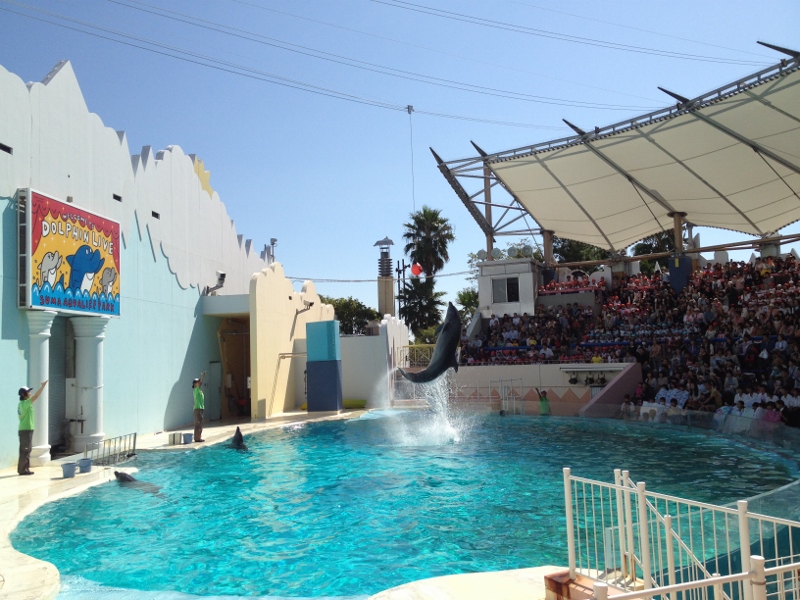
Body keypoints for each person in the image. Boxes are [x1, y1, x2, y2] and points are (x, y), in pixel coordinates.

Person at [17, 380, 48, 476]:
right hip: (26, 429)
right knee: (25, 449)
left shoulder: (22, 404)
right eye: (28, 391)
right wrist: (42, 387)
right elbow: (36, 396)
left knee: (27, 449)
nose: (30, 393)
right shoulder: (25, 403)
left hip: (25, 429)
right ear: (23, 394)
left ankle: (25, 468)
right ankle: (22, 470)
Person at [192, 372, 206, 443]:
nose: (199, 382)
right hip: (198, 409)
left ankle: (198, 437)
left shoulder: (199, 390)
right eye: (197, 382)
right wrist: (203, 376)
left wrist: (203, 376)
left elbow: (201, 383)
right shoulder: (196, 389)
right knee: (198, 423)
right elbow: (201, 382)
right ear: (195, 384)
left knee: (200, 423)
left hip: (200, 408)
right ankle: (197, 438)